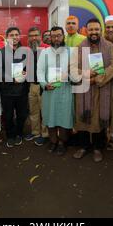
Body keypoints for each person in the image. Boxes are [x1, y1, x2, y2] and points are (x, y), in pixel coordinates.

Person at [73, 19, 113, 162]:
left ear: (101, 30)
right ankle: (83, 146)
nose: (94, 32)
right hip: (83, 89)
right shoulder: (79, 47)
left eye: (96, 29)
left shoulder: (109, 46)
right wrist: (87, 74)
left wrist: (98, 79)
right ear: (86, 30)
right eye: (91, 29)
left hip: (102, 89)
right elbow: (72, 68)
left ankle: (98, 148)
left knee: (100, 118)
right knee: (83, 118)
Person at [37, 26, 76, 155]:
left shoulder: (71, 52)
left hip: (66, 90)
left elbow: (76, 71)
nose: (56, 38)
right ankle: (53, 141)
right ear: (50, 38)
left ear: (63, 36)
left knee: (65, 118)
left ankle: (62, 143)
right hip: (50, 91)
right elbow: (40, 71)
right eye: (53, 36)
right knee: (50, 117)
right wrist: (44, 84)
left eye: (59, 35)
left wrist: (69, 76)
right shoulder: (45, 52)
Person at [0, 27, 30, 148]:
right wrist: (11, 79)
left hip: (22, 90)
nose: (14, 37)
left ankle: (19, 133)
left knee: (22, 114)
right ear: (7, 37)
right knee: (8, 115)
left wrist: (26, 73)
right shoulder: (0, 52)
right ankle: (10, 136)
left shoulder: (25, 51)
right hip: (7, 90)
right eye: (11, 35)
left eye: (16, 34)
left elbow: (30, 67)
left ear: (20, 36)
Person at [26, 27, 50, 145]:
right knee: (33, 111)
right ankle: (35, 132)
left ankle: (45, 134)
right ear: (28, 38)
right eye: (31, 35)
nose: (34, 38)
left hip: (43, 86)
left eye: (36, 35)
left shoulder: (47, 49)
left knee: (44, 111)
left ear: (40, 36)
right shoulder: (27, 51)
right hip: (31, 85)